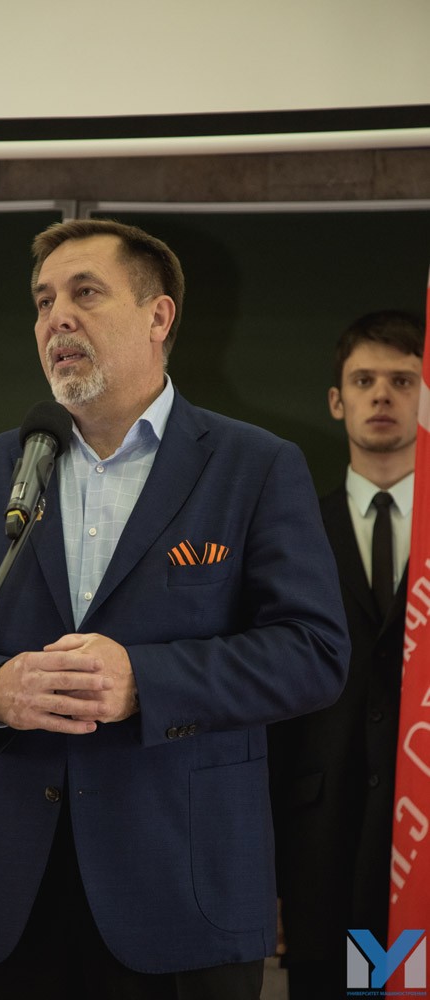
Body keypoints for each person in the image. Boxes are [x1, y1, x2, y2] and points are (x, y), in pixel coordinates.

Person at [0, 218, 349, 1000]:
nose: (56, 318)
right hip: (6, 898)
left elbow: (312, 652)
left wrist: (144, 681)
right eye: (43, 301)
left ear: (158, 317)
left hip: (182, 892)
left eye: (85, 293)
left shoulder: (254, 466)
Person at [269, 310, 425, 999]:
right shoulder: (288, 535)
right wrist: (266, 876)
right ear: (337, 401)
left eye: (402, 380)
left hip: (422, 850)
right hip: (318, 858)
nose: (381, 395)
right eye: (363, 381)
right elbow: (268, 712)